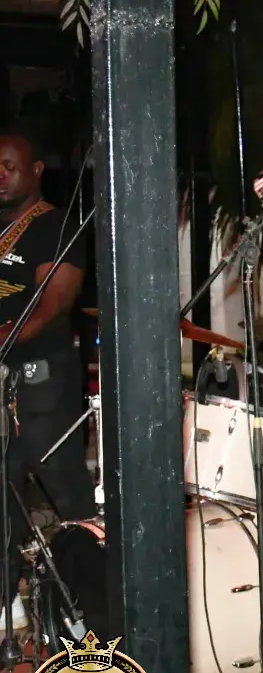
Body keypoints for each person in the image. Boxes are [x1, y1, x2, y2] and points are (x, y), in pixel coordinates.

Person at [0, 124, 96, 636]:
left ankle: (94, 602)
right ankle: (5, 600)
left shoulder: (57, 226)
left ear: (36, 171)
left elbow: (49, 306)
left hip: (43, 381)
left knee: (63, 487)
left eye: (8, 166)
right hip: (1, 379)